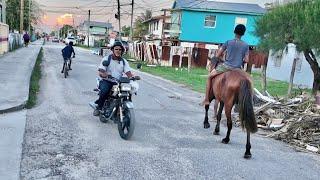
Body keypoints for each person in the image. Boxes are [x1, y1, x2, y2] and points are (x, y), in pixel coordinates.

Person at [202, 24, 249, 106]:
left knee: (209, 77)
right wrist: (240, 60)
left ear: (234, 32)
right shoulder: (245, 45)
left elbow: (218, 55)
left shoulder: (228, 42)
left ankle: (206, 99)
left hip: (226, 66)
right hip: (238, 69)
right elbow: (246, 60)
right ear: (243, 33)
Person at [93, 41, 134, 116]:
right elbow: (101, 71)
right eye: (116, 49)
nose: (118, 51)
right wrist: (104, 74)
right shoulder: (107, 59)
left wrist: (132, 77)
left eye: (120, 49)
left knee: (127, 92)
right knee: (105, 90)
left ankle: (123, 109)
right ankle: (99, 107)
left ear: (122, 51)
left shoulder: (123, 61)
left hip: (118, 82)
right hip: (107, 80)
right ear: (113, 50)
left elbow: (128, 72)